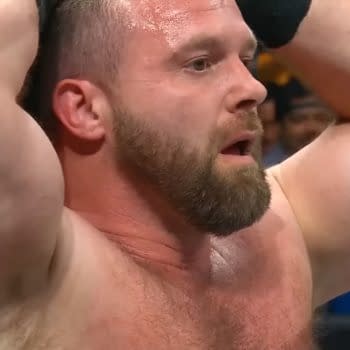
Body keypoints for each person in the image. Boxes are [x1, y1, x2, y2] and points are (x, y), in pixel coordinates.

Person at [1, 0, 350, 349]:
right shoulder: (32, 263)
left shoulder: (282, 240)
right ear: (85, 109)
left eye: (245, 60)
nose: (254, 89)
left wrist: (275, 8)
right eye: (200, 64)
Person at [263, 79, 335, 167]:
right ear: (280, 126)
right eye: (299, 119)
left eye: (322, 119)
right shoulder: (264, 174)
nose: (311, 128)